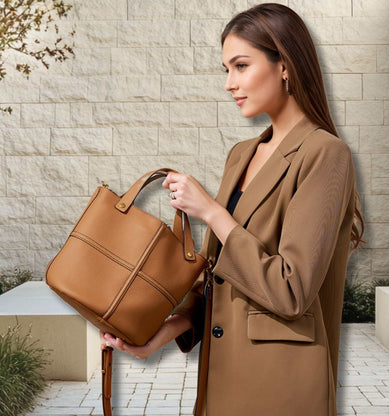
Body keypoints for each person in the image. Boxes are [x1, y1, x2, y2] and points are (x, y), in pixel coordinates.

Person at [100, 3, 366, 415]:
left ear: (285, 65)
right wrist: (160, 333)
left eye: (241, 66)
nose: (229, 83)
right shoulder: (240, 154)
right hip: (221, 380)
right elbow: (216, 279)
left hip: (282, 386)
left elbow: (290, 289)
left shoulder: (325, 154)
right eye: (226, 69)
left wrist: (211, 212)